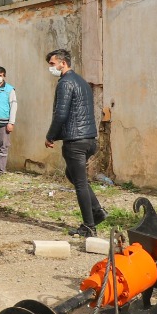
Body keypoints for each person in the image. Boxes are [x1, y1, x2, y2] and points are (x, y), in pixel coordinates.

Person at [44, 48, 104, 236]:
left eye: (52, 64)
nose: (50, 68)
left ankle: (89, 225)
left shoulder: (65, 83)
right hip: (88, 139)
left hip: (75, 141)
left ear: (63, 63)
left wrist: (50, 135)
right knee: (72, 175)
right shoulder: (81, 82)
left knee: (79, 182)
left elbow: (60, 113)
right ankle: (97, 211)